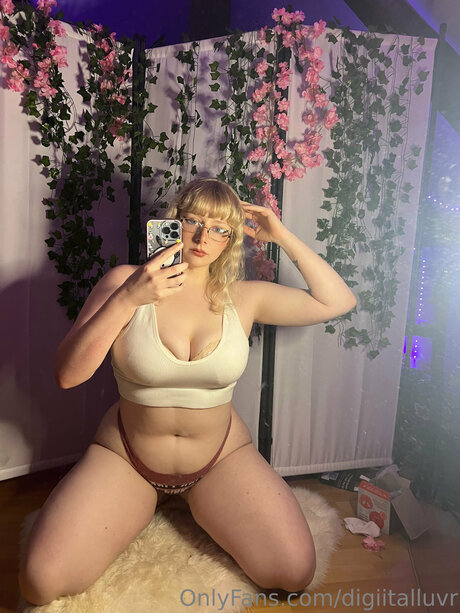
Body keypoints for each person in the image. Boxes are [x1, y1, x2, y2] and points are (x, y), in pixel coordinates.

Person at [19, 178, 356, 605]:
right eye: (193, 221)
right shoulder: (126, 282)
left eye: (219, 229)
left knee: (294, 572)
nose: (202, 238)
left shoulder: (243, 297)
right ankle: (146, 502)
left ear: (231, 239)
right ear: (173, 222)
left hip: (219, 460)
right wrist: (128, 298)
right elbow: (67, 375)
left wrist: (281, 235)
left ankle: (197, 502)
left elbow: (337, 302)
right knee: (41, 581)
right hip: (127, 458)